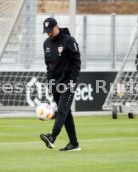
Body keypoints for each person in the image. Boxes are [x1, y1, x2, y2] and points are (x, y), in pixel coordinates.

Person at [40, 18, 81, 151]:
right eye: (46, 32)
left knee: (62, 110)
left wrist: (73, 81)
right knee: (66, 114)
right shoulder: (46, 43)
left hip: (68, 83)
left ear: (57, 27)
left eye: (50, 31)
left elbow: (76, 62)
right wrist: (50, 84)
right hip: (56, 85)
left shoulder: (69, 40)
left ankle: (52, 137)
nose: (49, 34)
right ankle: (74, 144)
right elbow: (49, 66)